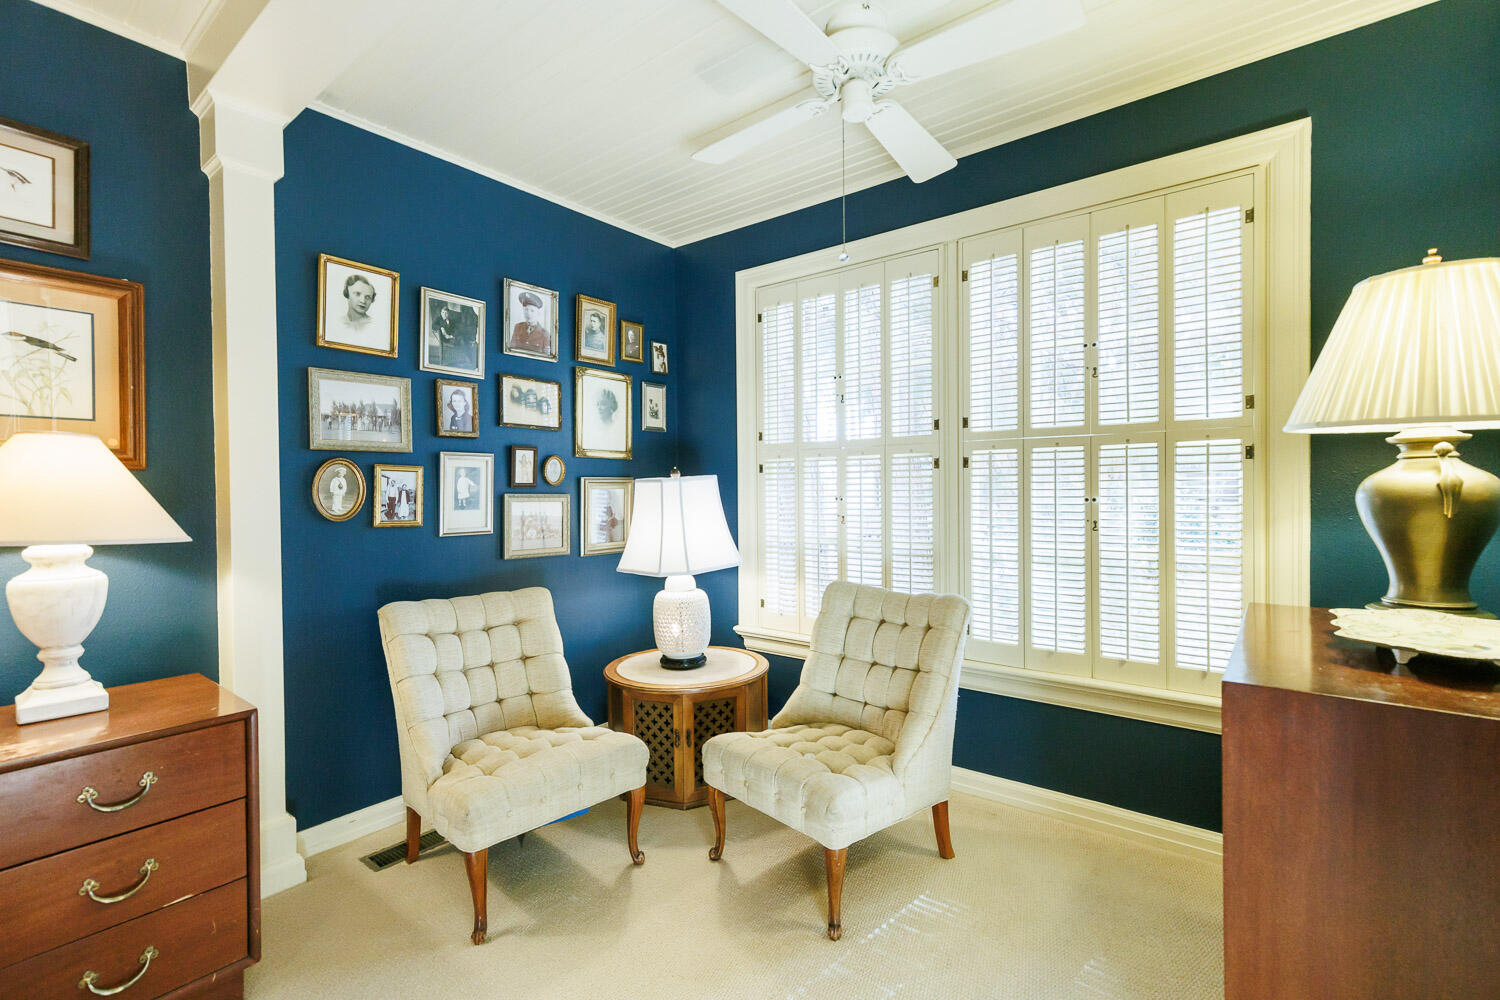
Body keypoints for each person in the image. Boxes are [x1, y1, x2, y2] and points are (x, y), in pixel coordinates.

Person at [510, 290, 552, 355]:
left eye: (532, 311)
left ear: (538, 313)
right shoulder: (518, 327)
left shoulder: (545, 334)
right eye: (526, 310)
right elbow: (511, 349)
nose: (528, 314)